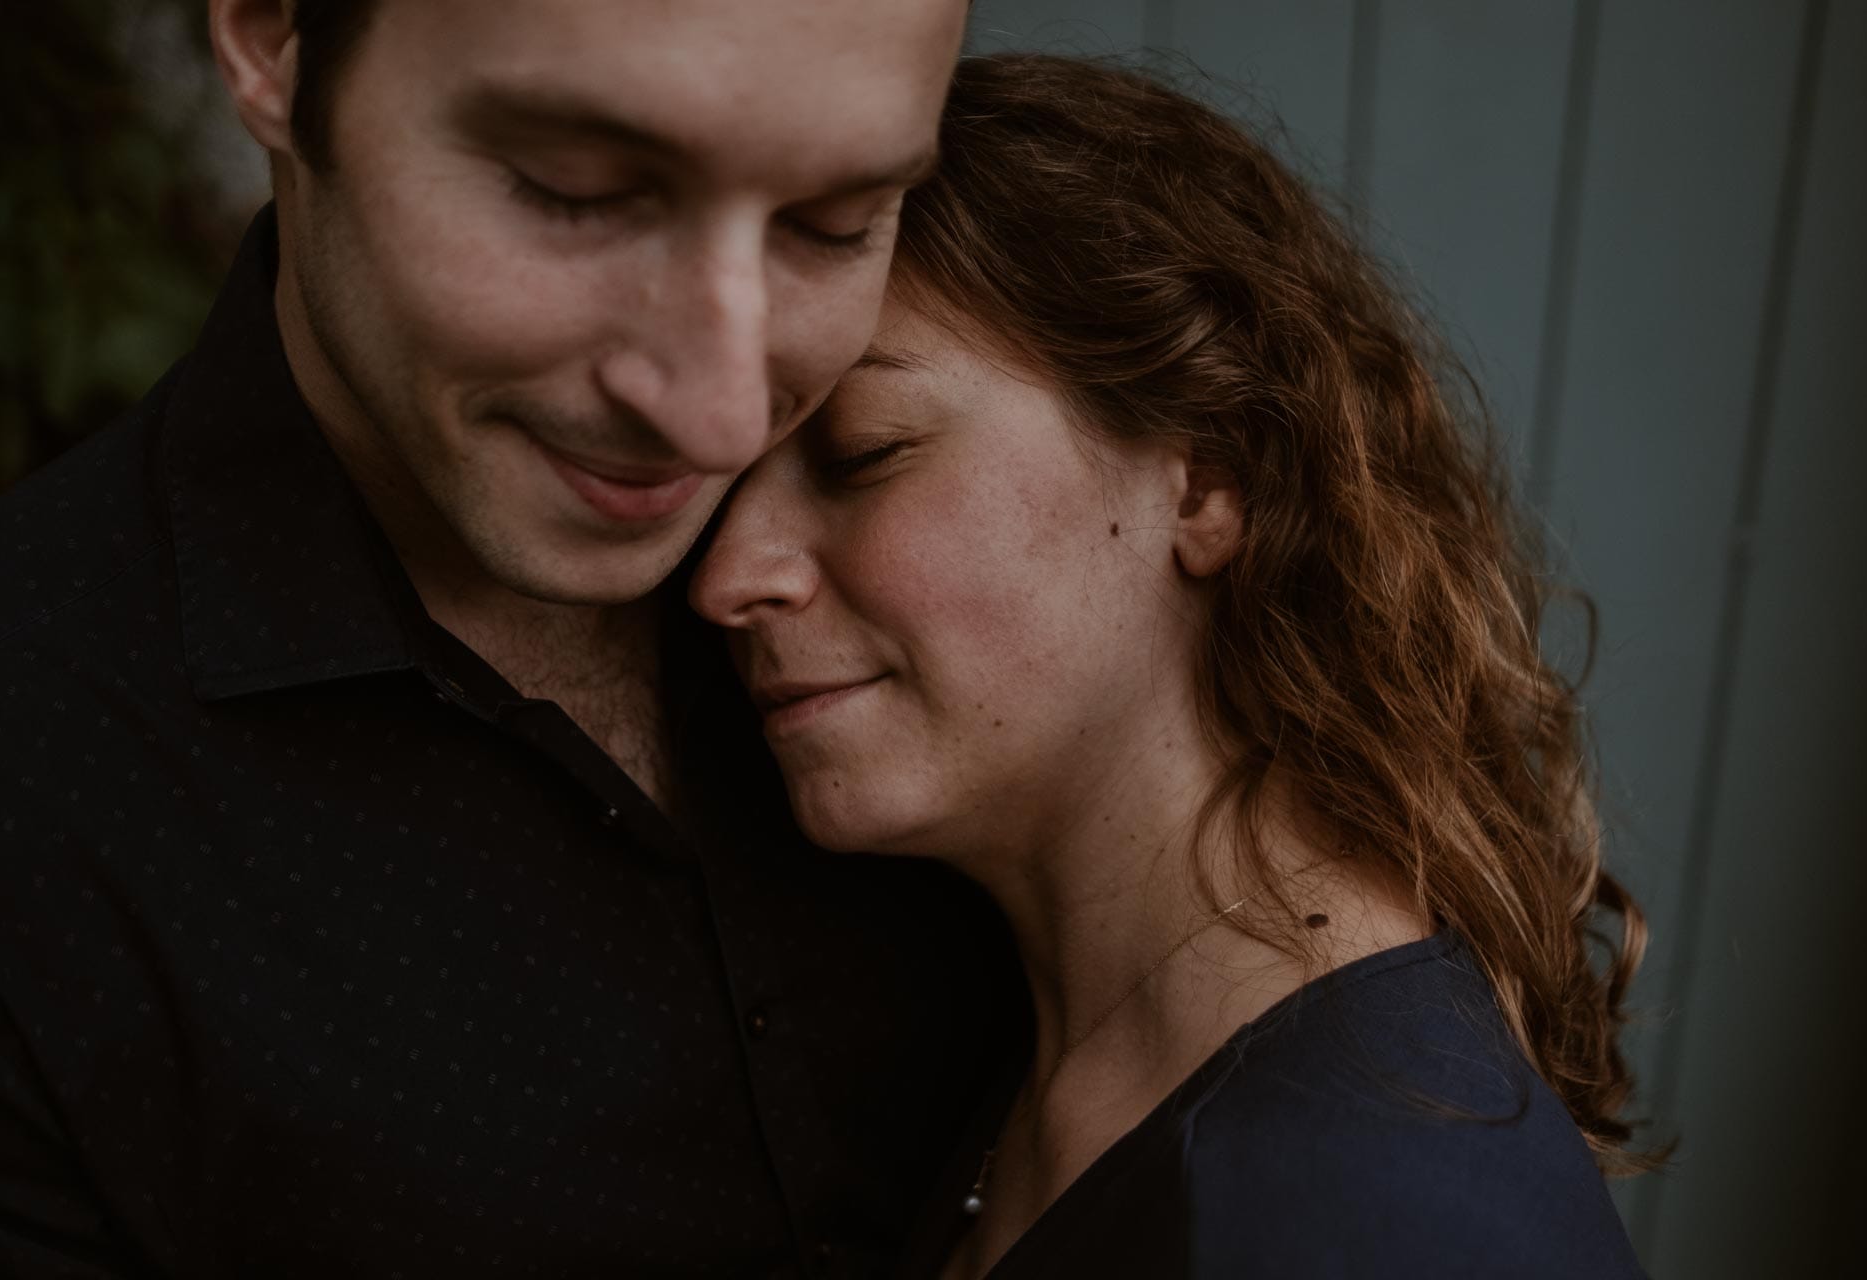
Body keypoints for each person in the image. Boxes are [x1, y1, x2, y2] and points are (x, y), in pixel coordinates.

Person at [0, 1, 1023, 1276]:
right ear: (275, 40)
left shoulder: (1018, 514)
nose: (720, 412)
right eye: (574, 193)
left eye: (831, 224)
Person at [694, 53, 1654, 1278]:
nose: (727, 579)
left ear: (1204, 476)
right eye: (727, 484)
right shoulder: (1011, 1038)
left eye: (863, 453)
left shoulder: (1386, 1211)